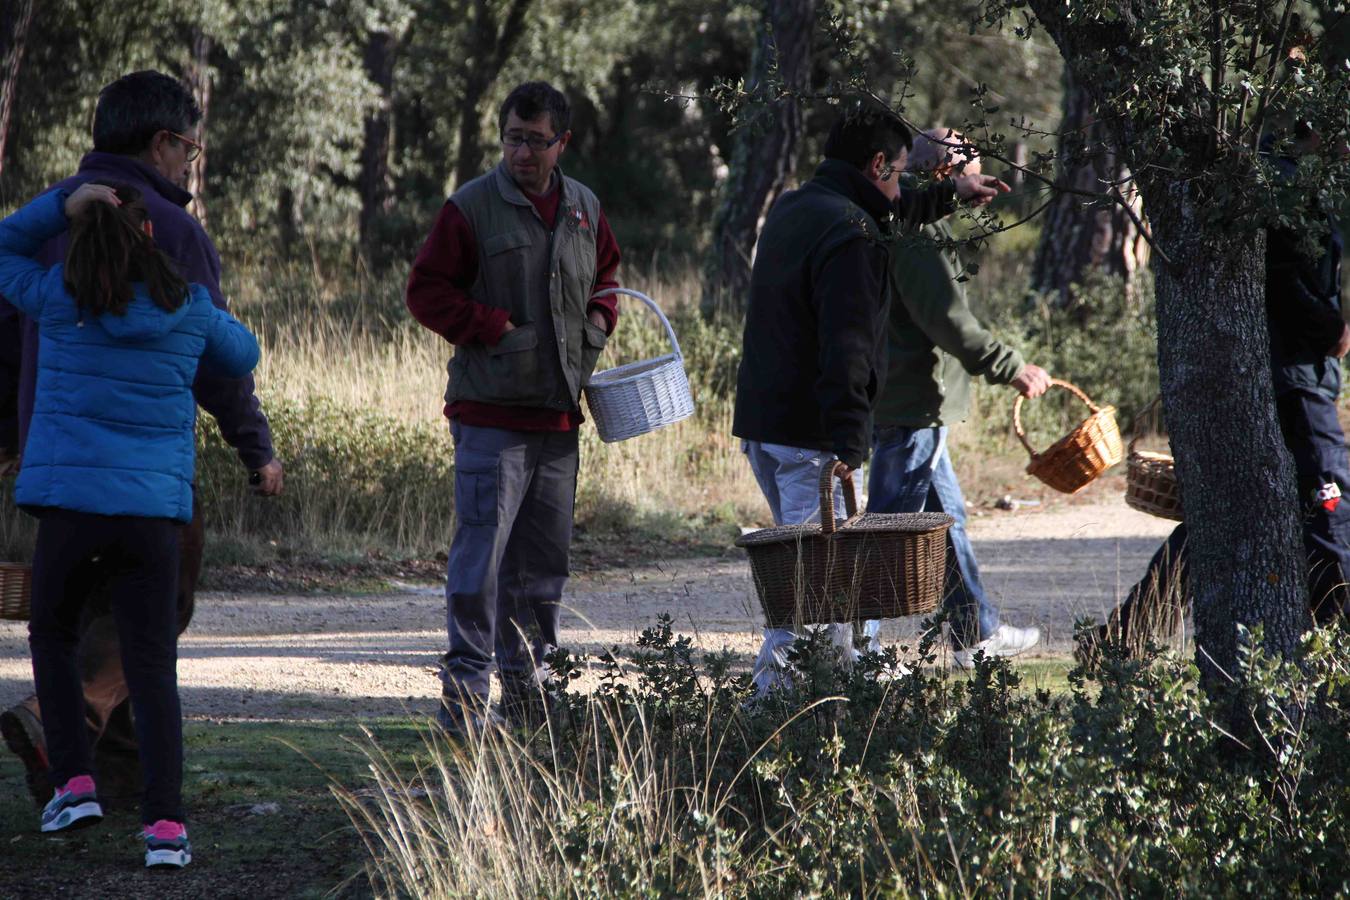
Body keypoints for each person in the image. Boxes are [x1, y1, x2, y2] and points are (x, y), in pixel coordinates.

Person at [0, 70, 283, 806]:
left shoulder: (56, 215)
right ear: (161, 143)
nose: (189, 163)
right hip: (152, 476)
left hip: (58, 467)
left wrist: (12, 432)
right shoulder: (173, 231)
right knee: (154, 617)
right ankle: (61, 722)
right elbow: (222, 361)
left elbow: (6, 333)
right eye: (189, 148)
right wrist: (255, 445)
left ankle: (99, 783)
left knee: (75, 616)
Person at [733, 107, 1012, 695]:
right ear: (879, 164)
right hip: (812, 438)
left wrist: (952, 193)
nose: (902, 186)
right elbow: (849, 351)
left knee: (823, 587)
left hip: (763, 426)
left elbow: (891, 208)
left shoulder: (796, 207)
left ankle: (852, 689)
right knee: (813, 595)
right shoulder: (853, 236)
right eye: (900, 171)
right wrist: (849, 445)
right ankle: (773, 713)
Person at [406, 81, 622, 734]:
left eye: (536, 141)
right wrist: (489, 326)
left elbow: (608, 277)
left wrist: (599, 321)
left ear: (563, 143)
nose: (522, 153)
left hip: (558, 422)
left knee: (542, 574)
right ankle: (465, 708)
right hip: (489, 420)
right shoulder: (470, 207)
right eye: (512, 138)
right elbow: (425, 292)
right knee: (479, 570)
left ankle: (530, 705)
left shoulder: (584, 207)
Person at [1085, 124, 1349, 656]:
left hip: (1269, 378)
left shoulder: (1272, 174)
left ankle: (1123, 640)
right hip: (1293, 385)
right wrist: (1331, 328)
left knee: (1225, 513)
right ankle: (1336, 652)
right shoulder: (1283, 184)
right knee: (1330, 512)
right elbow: (1285, 277)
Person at [868, 128, 1048, 669]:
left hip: (918, 406)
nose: (980, 182)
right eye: (972, 171)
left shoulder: (916, 221)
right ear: (946, 173)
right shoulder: (918, 234)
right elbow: (947, 320)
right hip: (909, 410)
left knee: (947, 523)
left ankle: (975, 636)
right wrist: (1010, 367)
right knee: (888, 535)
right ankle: (854, 648)